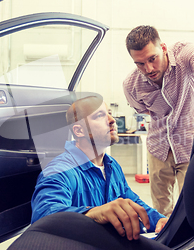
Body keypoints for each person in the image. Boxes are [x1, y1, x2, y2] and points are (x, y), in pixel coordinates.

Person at [31, 95, 168, 241]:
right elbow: (43, 215)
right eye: (100, 115)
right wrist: (93, 214)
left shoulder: (111, 165)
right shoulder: (60, 170)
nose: (112, 120)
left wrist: (158, 220)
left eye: (109, 113)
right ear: (79, 131)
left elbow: (130, 199)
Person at [123, 25, 194, 217]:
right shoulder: (131, 85)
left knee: (193, 208)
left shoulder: (184, 53)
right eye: (140, 63)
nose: (149, 68)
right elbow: (143, 111)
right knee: (161, 209)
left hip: (189, 146)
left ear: (163, 48)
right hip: (158, 149)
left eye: (152, 59)